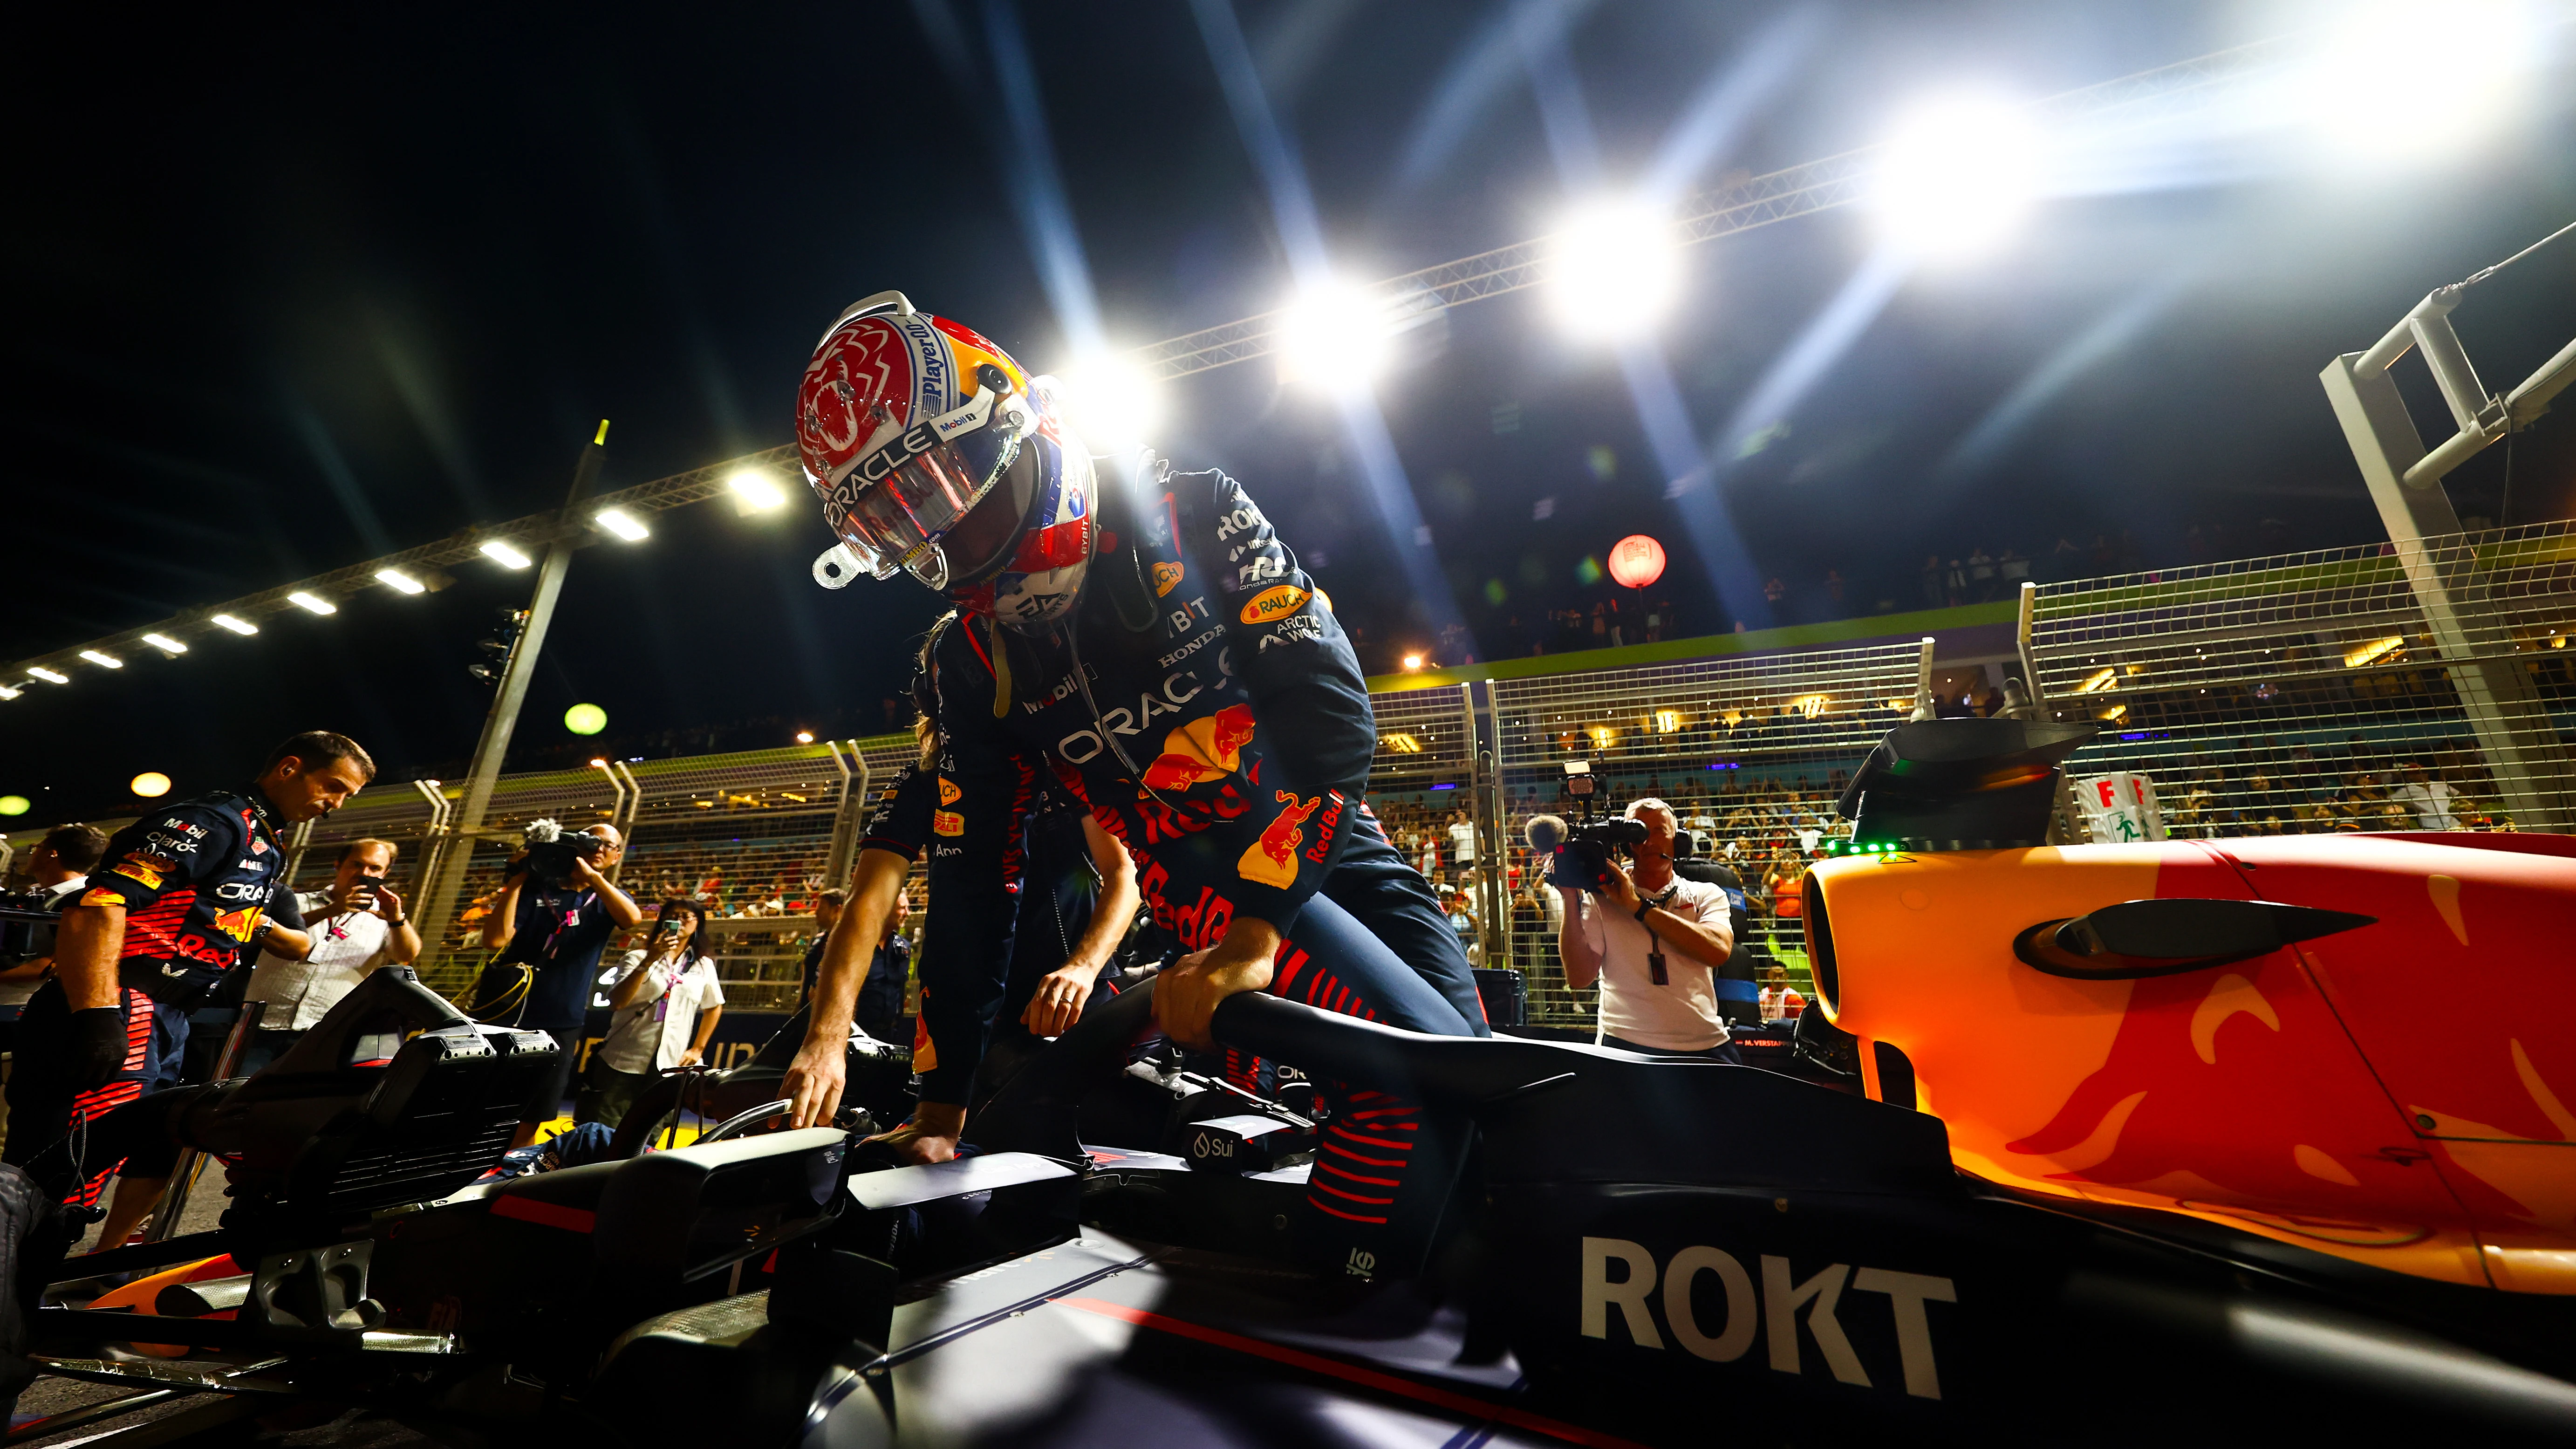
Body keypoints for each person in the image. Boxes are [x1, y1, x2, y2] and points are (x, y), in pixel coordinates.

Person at [785, 295, 1484, 1277]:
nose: (951, 537)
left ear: (1007, 420)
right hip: (1199, 882)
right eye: (903, 520)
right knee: (1425, 1085)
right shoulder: (969, 660)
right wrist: (938, 1116)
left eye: (945, 488)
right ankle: (1321, 1307)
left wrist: (1256, 936)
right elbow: (974, 882)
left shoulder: (1189, 506)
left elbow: (1326, 711)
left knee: (1486, 1091)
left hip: (1328, 845)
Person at [7, 732, 367, 1249]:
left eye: (346, 797)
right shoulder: (212, 821)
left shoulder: (263, 835)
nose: (333, 803)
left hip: (168, 1014)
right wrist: (98, 1013)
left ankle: (32, 1294)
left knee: (96, 1168)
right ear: (290, 768)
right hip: (124, 1002)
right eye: (332, 786)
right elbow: (100, 905)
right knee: (58, 1168)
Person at [787, 664, 1139, 1159]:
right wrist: (826, 1039)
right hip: (975, 1032)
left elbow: (1123, 877)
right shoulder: (921, 783)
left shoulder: (1065, 769)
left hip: (1086, 1008)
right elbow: (866, 905)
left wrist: (1080, 969)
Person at [468, 822, 645, 1148]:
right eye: (592, 842)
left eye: (608, 846)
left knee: (533, 1113)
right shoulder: (538, 889)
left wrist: (593, 878)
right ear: (574, 845)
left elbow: (632, 919)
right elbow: (494, 940)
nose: (599, 850)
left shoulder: (607, 898)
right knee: (483, 1105)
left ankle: (508, 1177)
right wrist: (518, 879)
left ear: (617, 856)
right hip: (509, 1013)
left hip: (562, 1018)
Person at [1553, 798, 1737, 1059]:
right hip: (1624, 1043)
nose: (1649, 841)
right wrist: (1570, 899)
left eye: (1659, 831)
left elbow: (1717, 951)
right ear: (1628, 844)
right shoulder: (1601, 898)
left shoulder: (1706, 894)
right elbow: (1580, 978)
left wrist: (1637, 906)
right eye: (1638, 831)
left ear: (1679, 840)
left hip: (1704, 1042)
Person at [236, 838, 421, 1076]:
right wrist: (334, 910)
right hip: (262, 1024)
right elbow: (269, 929)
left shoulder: (384, 918)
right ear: (338, 865)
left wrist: (397, 919)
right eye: (356, 865)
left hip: (326, 1032)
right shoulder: (296, 901)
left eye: (374, 869)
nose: (363, 873)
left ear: (385, 874)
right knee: (237, 1097)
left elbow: (407, 955)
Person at [0, 825, 109, 1152]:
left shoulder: (83, 899)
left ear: (52, 853)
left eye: (37, 845)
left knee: (12, 1124)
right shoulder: (39, 897)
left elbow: (56, 962)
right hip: (17, 1010)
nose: (32, 852)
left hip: (31, 1015)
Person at [577, 899, 723, 1129]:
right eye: (673, 916)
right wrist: (649, 960)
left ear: (698, 924)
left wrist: (698, 1049)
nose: (679, 921)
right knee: (605, 1129)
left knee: (650, 1132)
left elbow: (714, 1006)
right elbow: (617, 1001)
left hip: (670, 1065)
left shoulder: (703, 965)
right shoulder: (636, 957)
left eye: (687, 916)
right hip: (624, 1058)